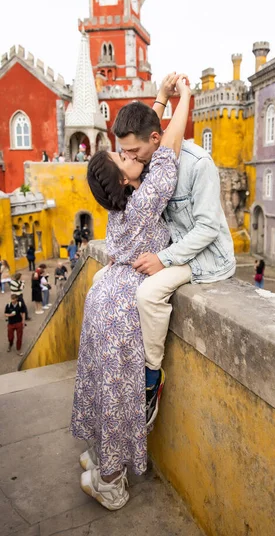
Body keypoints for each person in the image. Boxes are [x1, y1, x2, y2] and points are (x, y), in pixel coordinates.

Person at [70, 74, 191, 511]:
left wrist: (158, 97)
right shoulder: (144, 198)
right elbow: (165, 144)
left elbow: (145, 141)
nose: (128, 155)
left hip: (103, 301)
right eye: (121, 158)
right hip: (122, 309)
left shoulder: (119, 207)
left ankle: (100, 455)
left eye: (125, 152)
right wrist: (185, 99)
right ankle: (111, 483)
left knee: (105, 387)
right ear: (124, 180)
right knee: (122, 395)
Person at [112, 75, 235, 423]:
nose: (129, 158)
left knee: (149, 293)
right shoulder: (155, 159)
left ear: (154, 141)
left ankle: (151, 380)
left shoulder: (197, 164)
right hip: (177, 251)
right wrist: (161, 98)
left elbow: (208, 228)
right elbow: (147, 128)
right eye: (124, 152)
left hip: (206, 259)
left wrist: (163, 259)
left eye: (133, 152)